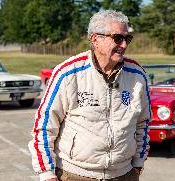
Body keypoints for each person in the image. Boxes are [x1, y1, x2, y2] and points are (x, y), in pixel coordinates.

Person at [28, 9, 151, 181]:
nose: (123, 45)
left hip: (124, 174)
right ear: (95, 39)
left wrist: (138, 164)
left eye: (127, 39)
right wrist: (47, 173)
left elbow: (142, 123)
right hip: (75, 174)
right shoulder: (68, 74)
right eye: (117, 38)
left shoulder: (137, 75)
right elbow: (44, 126)